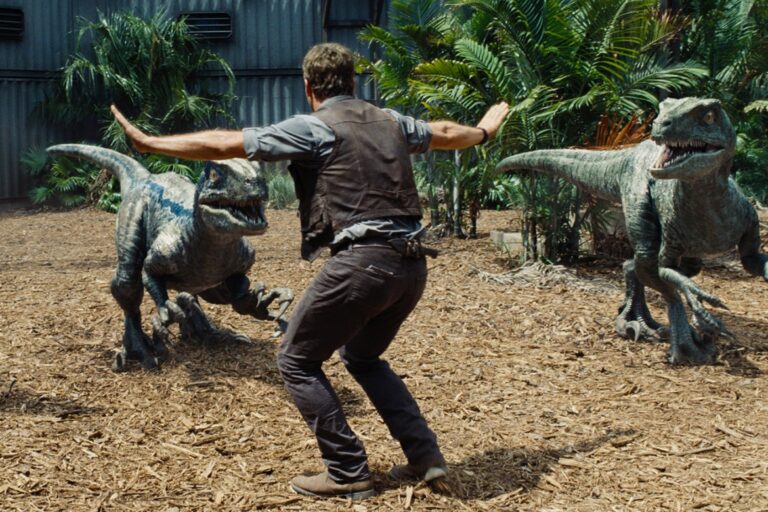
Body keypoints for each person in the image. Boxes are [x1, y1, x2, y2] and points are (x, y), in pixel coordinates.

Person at [112, 42, 509, 500]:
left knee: (295, 359)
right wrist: (484, 131)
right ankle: (425, 457)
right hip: (411, 267)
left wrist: (150, 143)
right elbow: (444, 131)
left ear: (308, 87)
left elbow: (226, 143)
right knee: (362, 357)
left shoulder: (315, 127)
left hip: (364, 263)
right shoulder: (390, 120)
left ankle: (347, 469)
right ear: (353, 82)